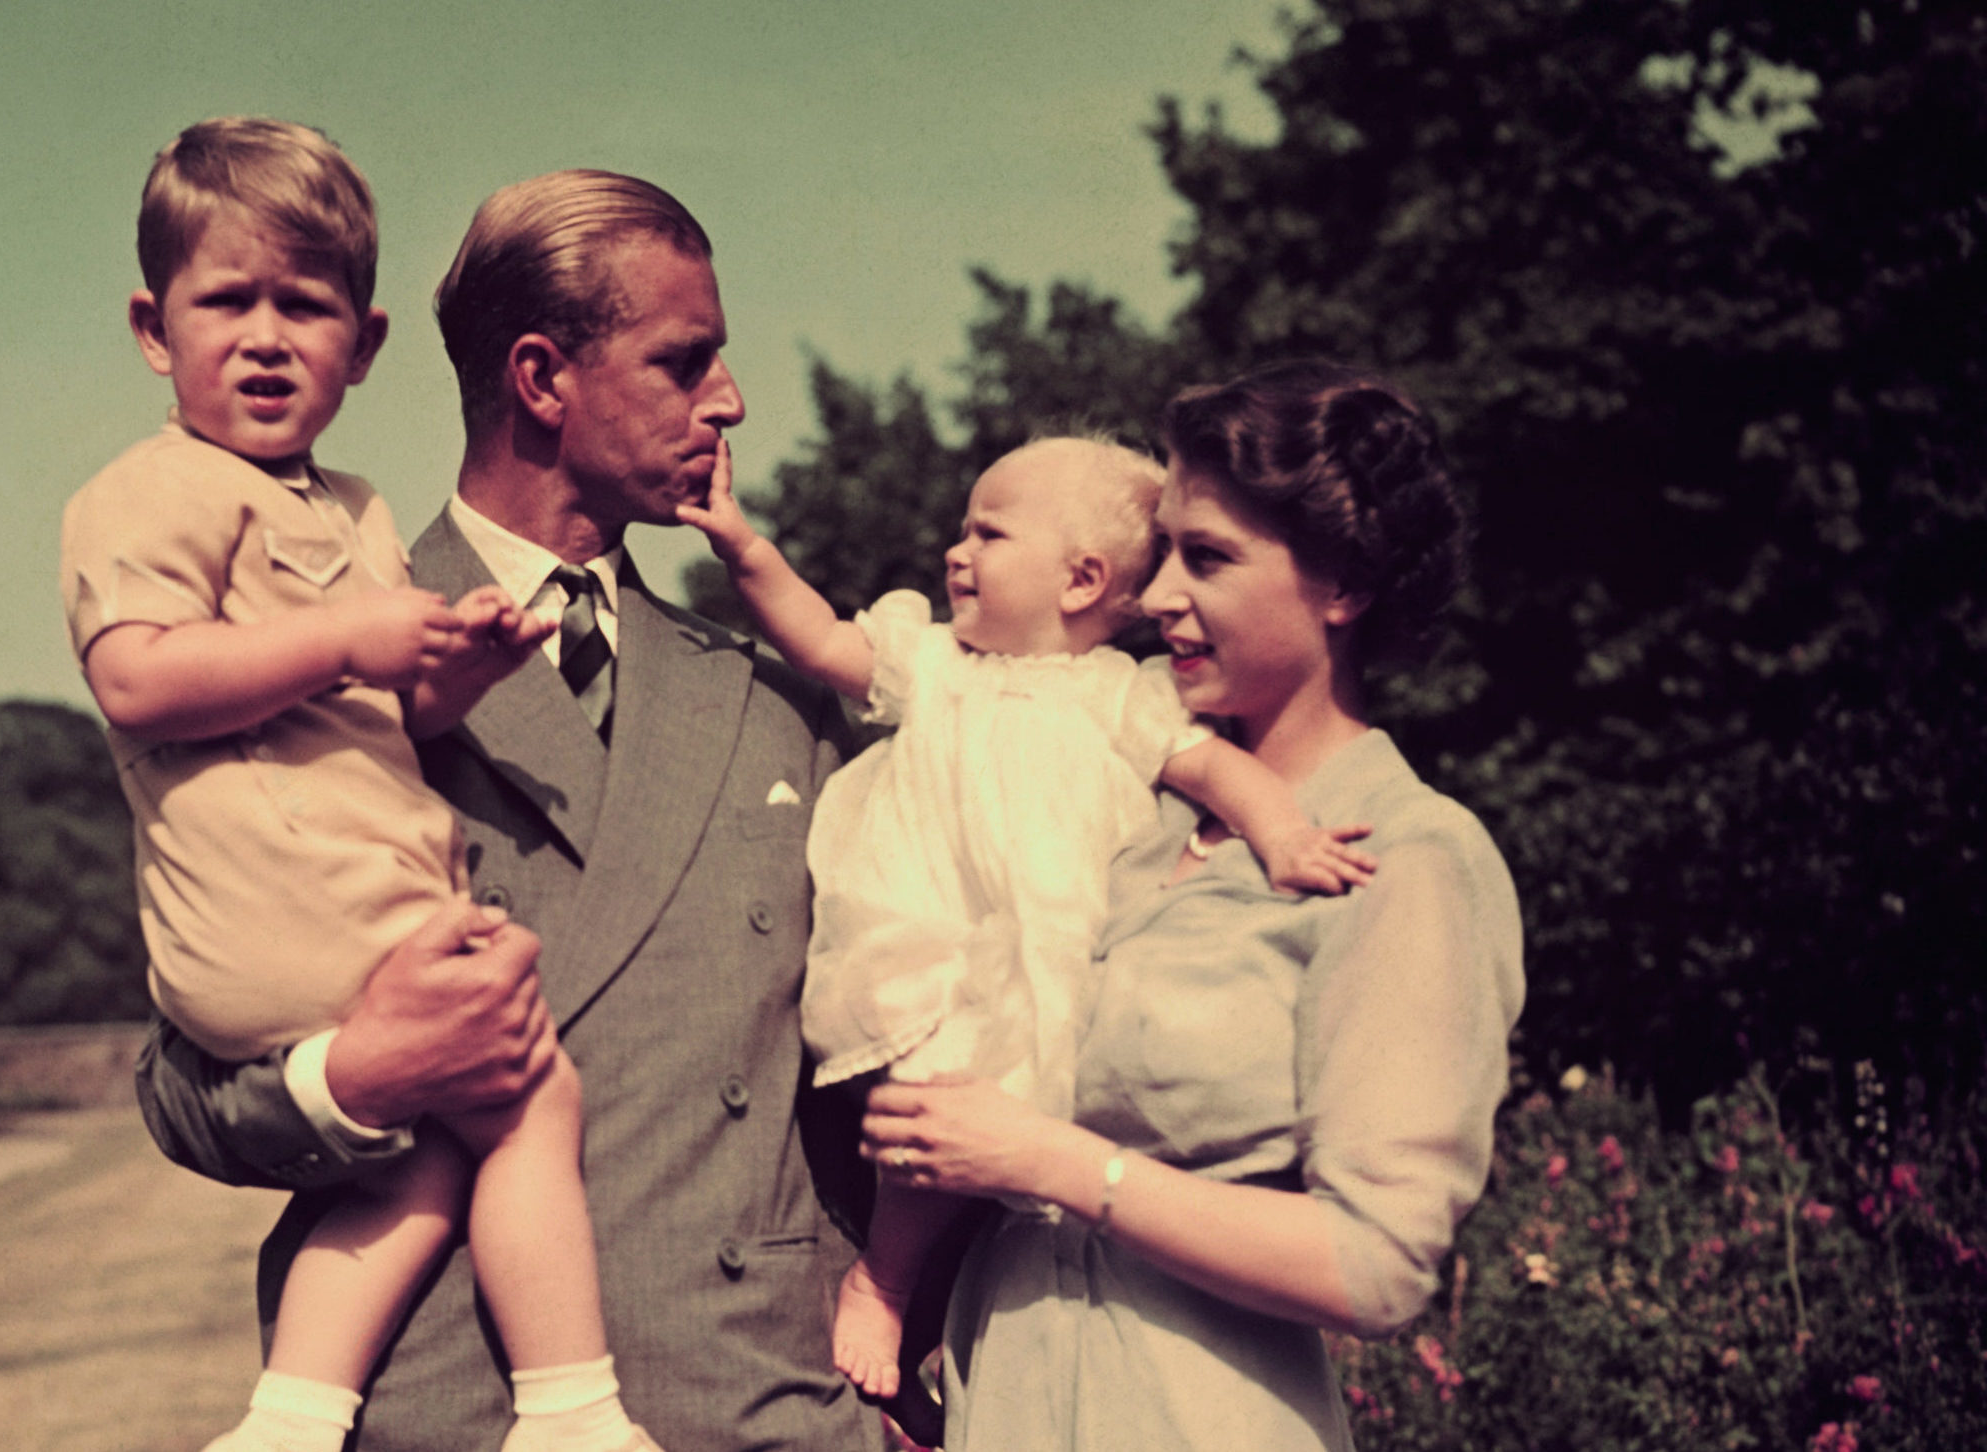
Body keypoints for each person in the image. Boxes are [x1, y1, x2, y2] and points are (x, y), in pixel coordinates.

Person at [130, 168, 883, 1452]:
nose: (732, 402)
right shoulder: (283, 662)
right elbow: (183, 1089)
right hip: (447, 1414)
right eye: (684, 360)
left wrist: (896, 1340)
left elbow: (874, 1071)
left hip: (755, 1408)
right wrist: (358, 1076)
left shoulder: (770, 700)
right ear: (541, 379)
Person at [61, 119, 654, 1452]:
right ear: (156, 331)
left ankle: (289, 1418)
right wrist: (347, 636)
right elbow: (137, 682)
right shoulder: (146, 495)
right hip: (284, 917)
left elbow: (391, 709)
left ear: (364, 346)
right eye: (229, 303)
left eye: (305, 308)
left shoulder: (354, 509)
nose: (266, 338)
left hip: (343, 906)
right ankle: (573, 1412)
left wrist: (461, 667)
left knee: (444, 1146)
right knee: (531, 1092)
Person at [858, 361, 1526, 1450]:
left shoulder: (1409, 857)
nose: (1157, 593)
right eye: (1160, 550)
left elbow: (1377, 1263)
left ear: (1342, 587)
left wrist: (1051, 1162)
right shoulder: (1117, 820)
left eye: (1207, 557)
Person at [678, 432, 1378, 1404]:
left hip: (1048, 964)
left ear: (1081, 578)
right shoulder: (934, 664)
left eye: (987, 534)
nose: (955, 553)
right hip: (920, 946)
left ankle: (940, 1332)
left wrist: (1285, 836)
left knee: (1011, 1146)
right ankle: (880, 1281)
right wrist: (744, 548)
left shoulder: (1116, 698)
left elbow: (1216, 769)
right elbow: (822, 640)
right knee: (937, 1105)